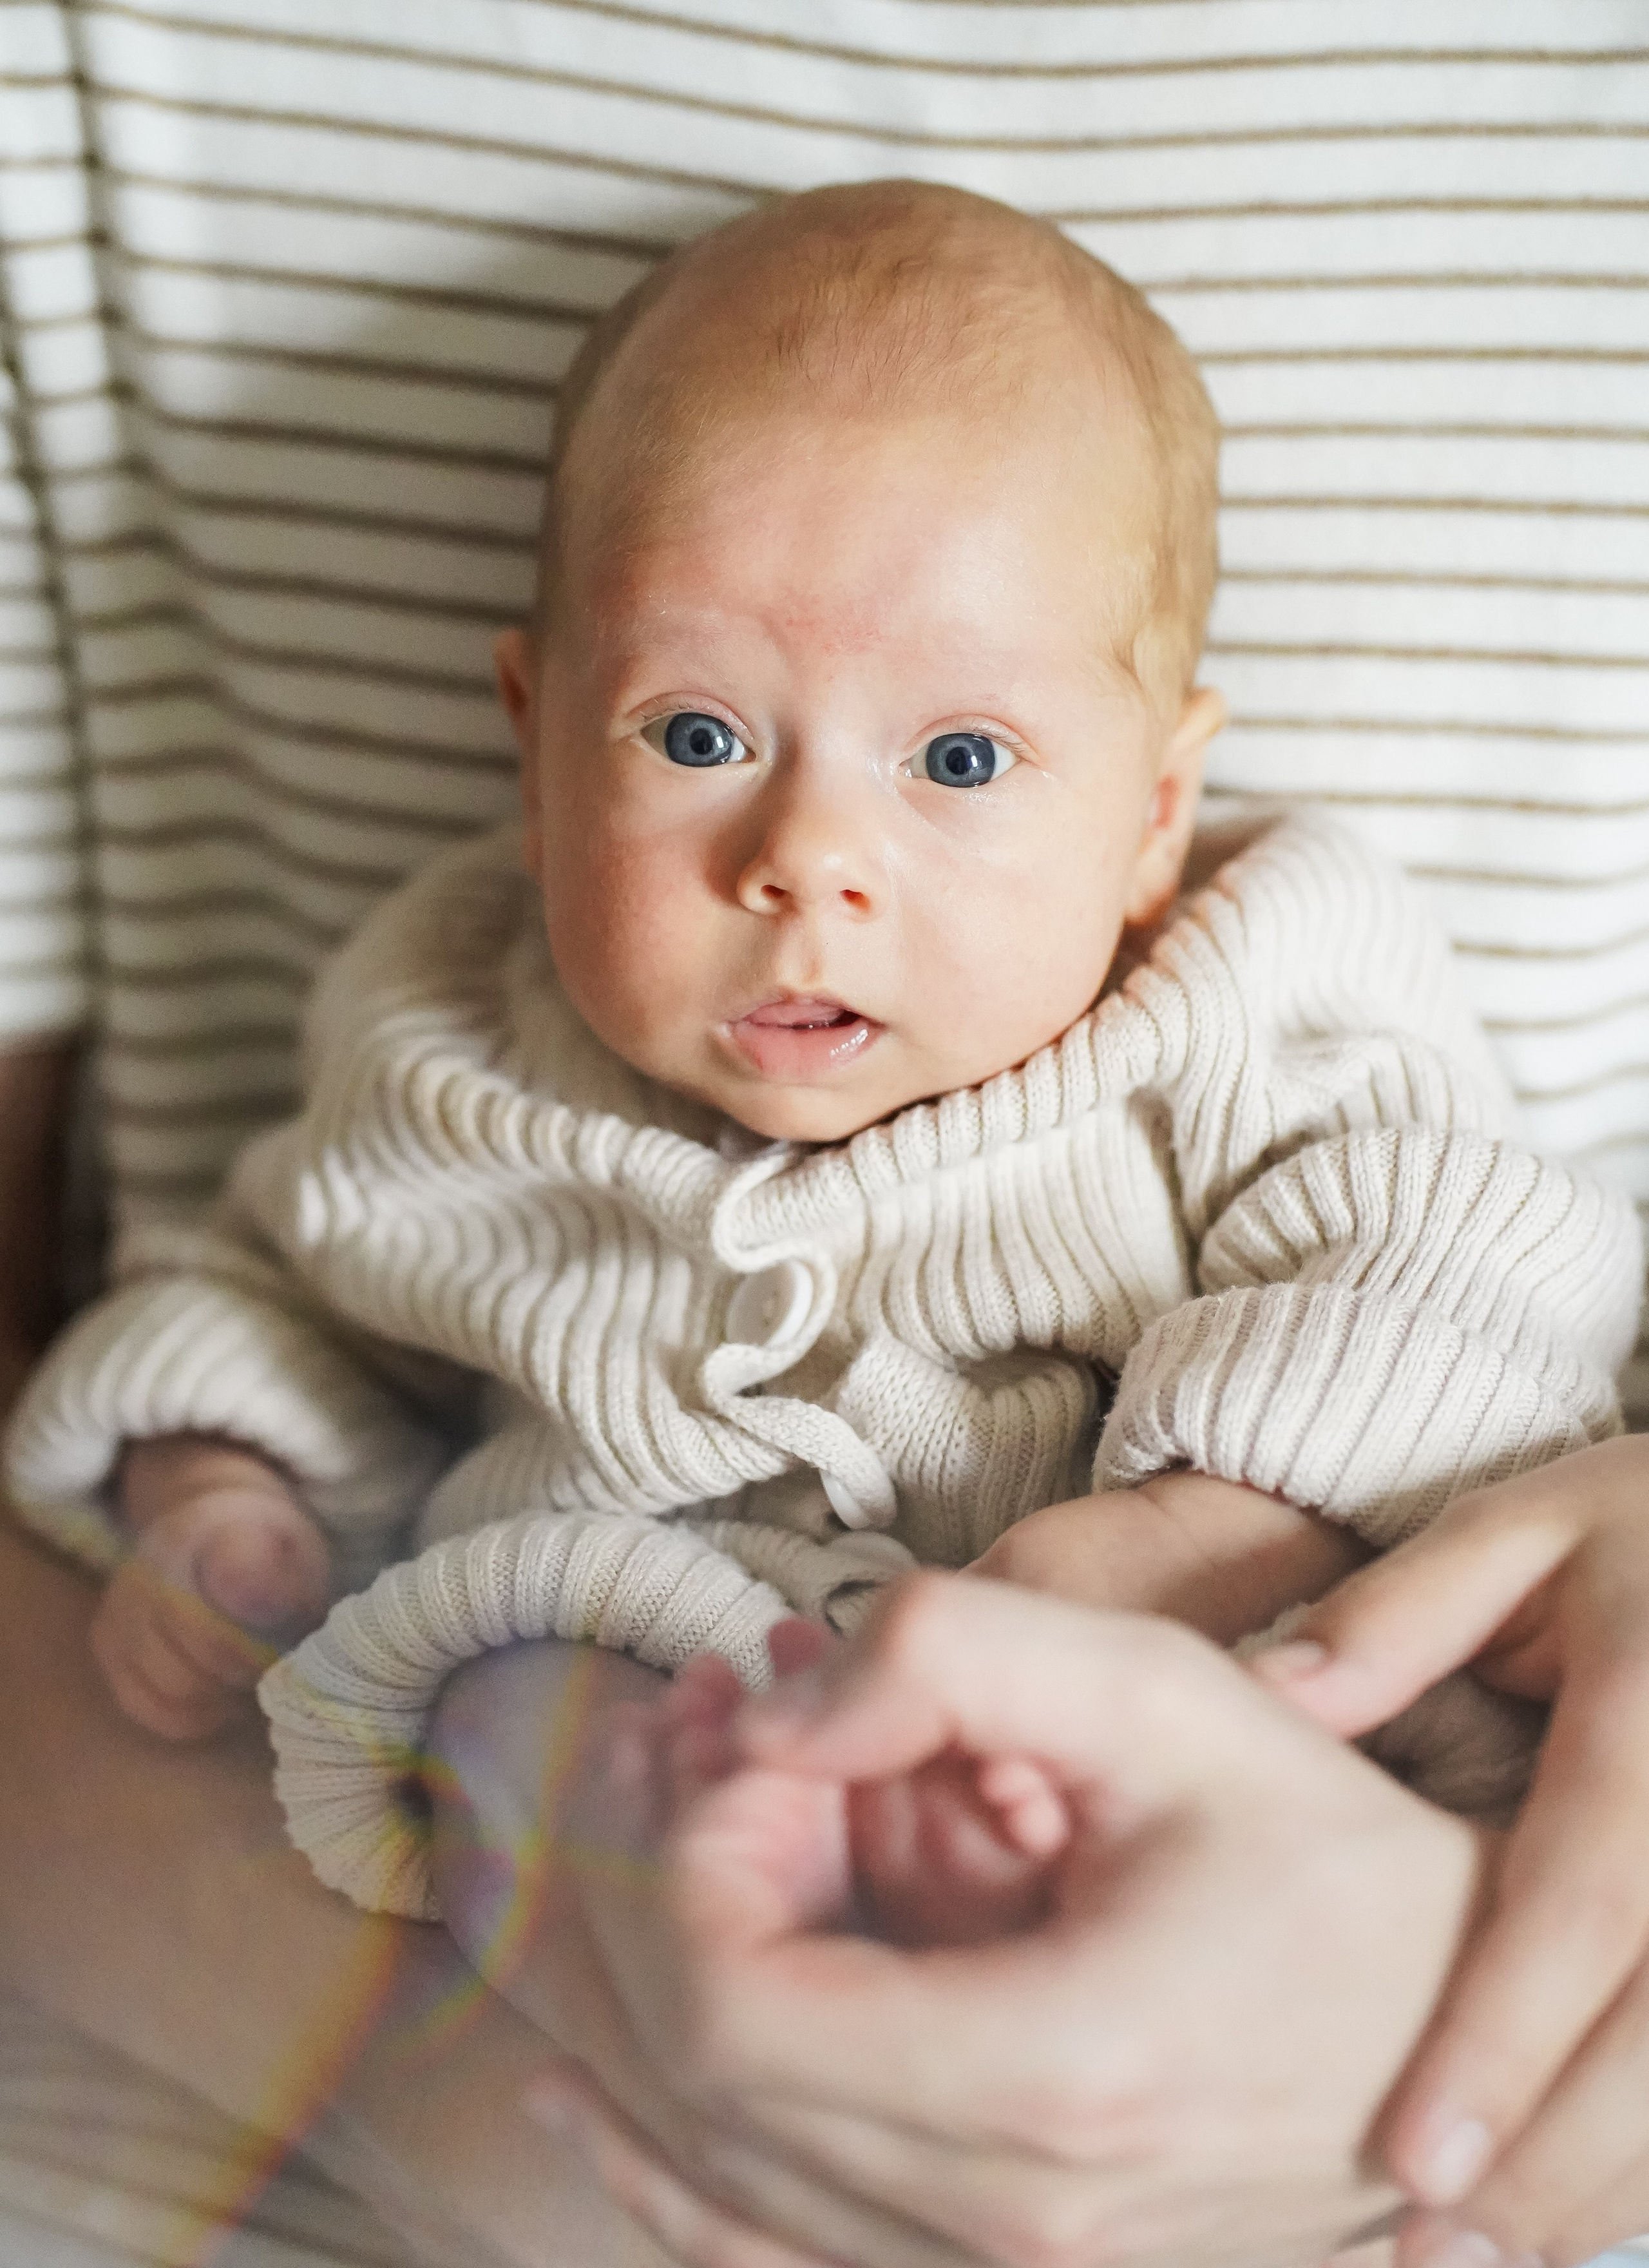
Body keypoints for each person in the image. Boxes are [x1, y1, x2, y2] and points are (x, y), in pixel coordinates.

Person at [5, 184, 1635, 1941]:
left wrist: (1208, 1520)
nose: (806, 856)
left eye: (956, 757)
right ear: (538, 753)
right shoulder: (447, 1046)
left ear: (1154, 813)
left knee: (1377, 1792)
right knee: (502, 1709)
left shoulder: (1241, 1005)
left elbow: (1472, 1259)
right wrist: (213, 1488)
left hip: (1175, 1725)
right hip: (622, 1720)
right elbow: (283, 1295)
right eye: (697, 735)